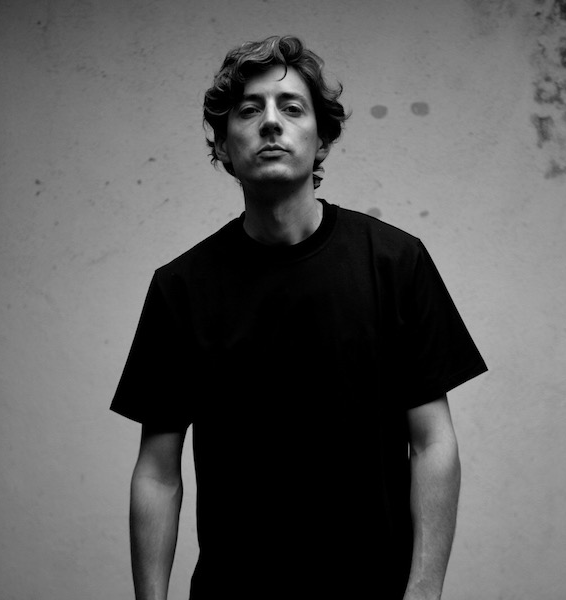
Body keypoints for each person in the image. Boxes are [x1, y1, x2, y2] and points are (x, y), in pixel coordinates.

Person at [111, 35, 487, 600]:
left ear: (321, 137)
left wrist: (423, 592)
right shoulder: (180, 288)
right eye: (249, 110)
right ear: (224, 144)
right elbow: (158, 473)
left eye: (291, 107)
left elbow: (433, 443)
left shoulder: (394, 262)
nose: (271, 122)